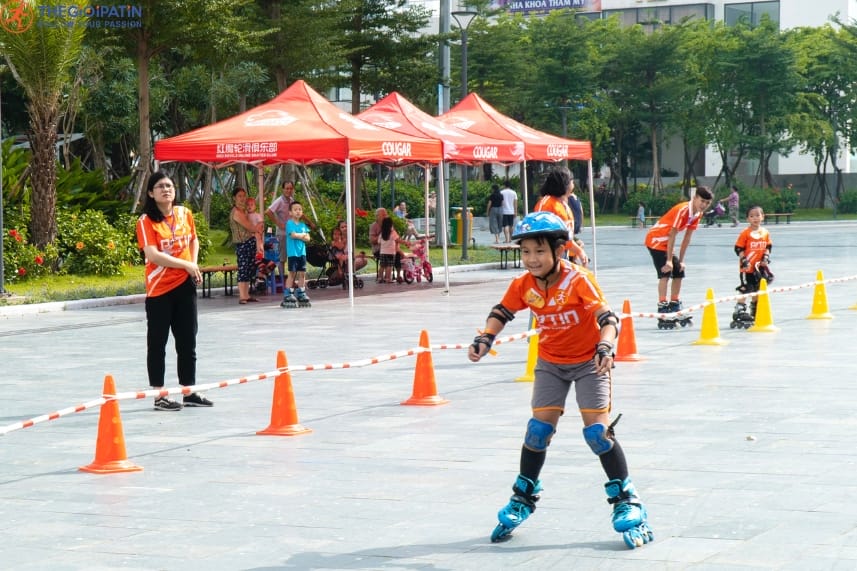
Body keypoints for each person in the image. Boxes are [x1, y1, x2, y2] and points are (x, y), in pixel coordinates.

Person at [468, 211, 652, 548]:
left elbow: (608, 318)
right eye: (525, 252)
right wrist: (485, 339)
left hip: (589, 363)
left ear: (558, 249)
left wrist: (606, 344)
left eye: (539, 251)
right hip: (551, 363)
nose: (531, 259)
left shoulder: (578, 279)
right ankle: (523, 496)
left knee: (597, 433)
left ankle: (627, 498)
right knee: (538, 431)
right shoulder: (523, 284)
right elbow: (502, 312)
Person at [136, 171, 212, 411]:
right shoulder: (146, 221)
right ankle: (159, 396)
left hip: (185, 286)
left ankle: (188, 391)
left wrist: (193, 263)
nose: (166, 189)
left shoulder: (184, 213)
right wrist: (186, 265)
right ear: (151, 193)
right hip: (160, 290)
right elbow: (153, 254)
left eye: (169, 186)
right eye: (160, 186)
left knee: (188, 340)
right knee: (158, 343)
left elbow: (193, 240)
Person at [644, 186, 713, 322]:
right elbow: (672, 235)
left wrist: (681, 261)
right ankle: (662, 307)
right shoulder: (683, 210)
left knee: (679, 272)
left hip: (666, 243)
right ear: (694, 198)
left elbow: (687, 238)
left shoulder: (698, 214)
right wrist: (669, 260)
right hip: (656, 240)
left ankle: (675, 304)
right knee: (665, 272)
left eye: (707, 203)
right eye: (702, 201)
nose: (704, 205)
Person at [534, 166, 588, 266]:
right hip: (549, 258)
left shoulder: (563, 204)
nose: (573, 183)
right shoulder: (547, 203)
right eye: (572, 180)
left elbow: (566, 238)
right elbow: (539, 234)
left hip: (562, 255)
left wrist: (579, 251)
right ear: (565, 184)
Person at [731, 205, 773, 327]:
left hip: (758, 268)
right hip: (747, 268)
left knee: (757, 289)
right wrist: (743, 259)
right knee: (746, 288)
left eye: (757, 215)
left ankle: (755, 309)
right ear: (747, 219)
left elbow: (768, 247)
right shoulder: (745, 233)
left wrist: (766, 257)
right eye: (751, 216)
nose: (755, 218)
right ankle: (739, 311)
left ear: (762, 217)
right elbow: (738, 248)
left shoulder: (765, 233)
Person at [229, 188, 260, 304]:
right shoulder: (236, 212)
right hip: (242, 244)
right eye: (239, 196)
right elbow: (250, 226)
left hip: (250, 242)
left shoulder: (245, 211)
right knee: (243, 269)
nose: (242, 198)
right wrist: (257, 228)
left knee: (249, 269)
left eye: (244, 196)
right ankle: (242, 296)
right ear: (234, 198)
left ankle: (246, 295)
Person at [280, 201, 312, 308]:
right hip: (293, 253)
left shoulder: (303, 225)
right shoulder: (289, 223)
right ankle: (288, 293)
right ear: (290, 212)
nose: (298, 211)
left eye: (300, 209)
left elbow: (308, 238)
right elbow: (292, 235)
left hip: (302, 253)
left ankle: (301, 291)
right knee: (292, 273)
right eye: (295, 209)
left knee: (302, 273)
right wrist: (302, 235)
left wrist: (302, 235)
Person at [266, 180, 297, 278]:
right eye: (287, 188)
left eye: (291, 188)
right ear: (283, 189)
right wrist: (279, 224)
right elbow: (268, 212)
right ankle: (283, 280)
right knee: (282, 258)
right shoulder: (279, 201)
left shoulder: (291, 200)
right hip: (282, 234)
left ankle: (291, 281)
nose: (289, 190)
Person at [378, 216, 400, 284]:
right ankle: (388, 278)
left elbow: (379, 242)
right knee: (389, 266)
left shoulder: (382, 233)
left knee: (382, 266)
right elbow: (397, 239)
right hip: (390, 252)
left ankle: (380, 278)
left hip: (382, 252)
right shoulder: (392, 232)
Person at [369, 207, 388, 282]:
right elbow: (372, 240)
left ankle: (398, 275)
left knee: (397, 255)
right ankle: (382, 277)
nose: (386, 216)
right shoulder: (373, 226)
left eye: (386, 214)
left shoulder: (388, 224)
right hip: (378, 249)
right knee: (387, 255)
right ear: (377, 216)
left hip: (388, 248)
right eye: (383, 215)